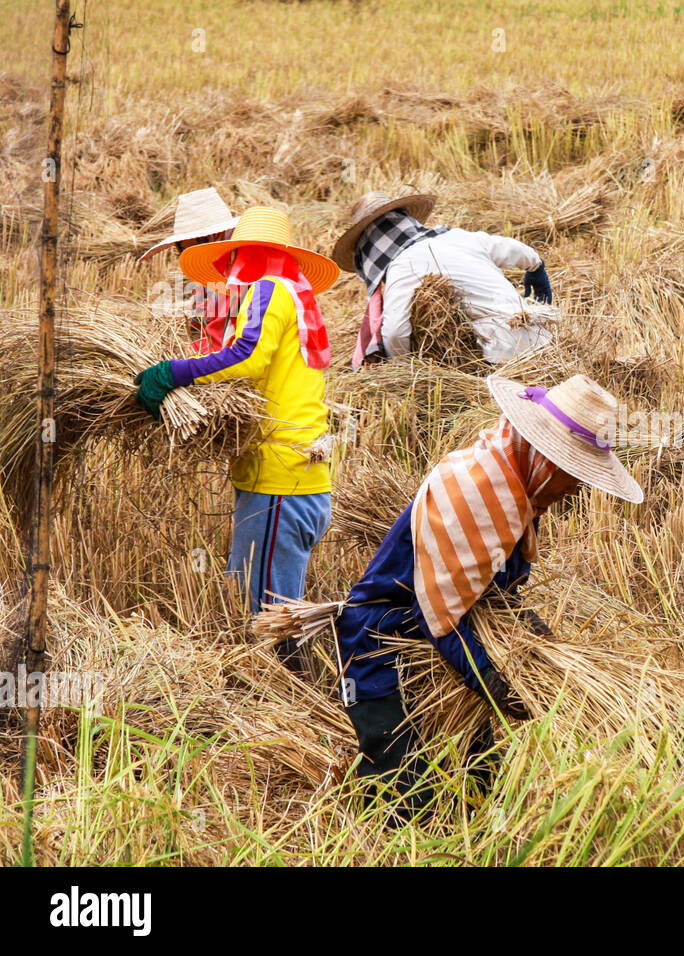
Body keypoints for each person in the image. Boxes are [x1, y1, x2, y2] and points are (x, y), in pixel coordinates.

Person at [335, 373, 644, 820]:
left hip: (444, 652)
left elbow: (488, 588)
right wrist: (493, 682)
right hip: (383, 647)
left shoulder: (516, 491)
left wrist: (528, 628)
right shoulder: (475, 492)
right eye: (574, 474)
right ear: (545, 459)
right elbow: (440, 613)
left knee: (479, 785)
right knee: (404, 795)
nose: (577, 490)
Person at [132, 207, 340, 667]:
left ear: (244, 254)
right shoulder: (291, 291)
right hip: (292, 477)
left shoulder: (269, 288)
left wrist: (173, 373)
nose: (230, 272)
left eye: (234, 260)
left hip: (280, 482)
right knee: (269, 604)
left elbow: (245, 356)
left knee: (270, 618)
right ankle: (286, 698)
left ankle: (289, 712)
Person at [330, 192, 556, 368]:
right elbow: (515, 249)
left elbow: (396, 331)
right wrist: (536, 269)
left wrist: (405, 369)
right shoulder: (457, 236)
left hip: (502, 355)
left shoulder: (401, 266)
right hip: (542, 339)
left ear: (370, 249)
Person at [137, 187, 243, 354]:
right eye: (182, 249)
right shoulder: (211, 264)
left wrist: (188, 361)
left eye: (192, 247)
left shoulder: (241, 263)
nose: (189, 256)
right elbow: (200, 319)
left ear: (210, 237)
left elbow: (224, 337)